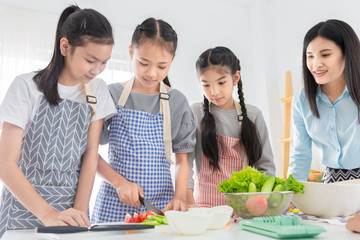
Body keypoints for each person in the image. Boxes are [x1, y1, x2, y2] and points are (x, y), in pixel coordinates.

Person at [0, 5, 116, 237]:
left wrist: (80, 213)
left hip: (72, 211)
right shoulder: (26, 87)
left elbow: (91, 154)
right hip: (23, 212)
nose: (98, 70)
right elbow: (5, 165)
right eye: (91, 60)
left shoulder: (97, 90)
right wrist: (48, 215)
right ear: (65, 46)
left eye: (104, 62)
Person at [91, 18, 196, 223]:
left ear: (172, 61)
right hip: (113, 204)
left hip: (160, 207)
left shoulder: (177, 101)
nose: (151, 73)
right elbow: (89, 151)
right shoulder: (111, 94)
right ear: (131, 53)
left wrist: (179, 197)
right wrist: (119, 183)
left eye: (162, 66)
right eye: (143, 63)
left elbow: (182, 160)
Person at [186, 46, 276, 207]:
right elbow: (186, 161)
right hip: (203, 206)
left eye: (221, 82)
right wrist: (187, 197)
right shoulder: (195, 112)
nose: (214, 91)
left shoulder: (253, 115)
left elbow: (266, 167)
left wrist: (256, 203)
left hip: (243, 208)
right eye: (206, 85)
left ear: (235, 78)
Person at [288, 19, 360, 183]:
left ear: (348, 53)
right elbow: (300, 153)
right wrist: (291, 193)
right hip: (331, 184)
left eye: (325, 55)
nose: (315, 64)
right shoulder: (301, 101)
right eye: (310, 56)